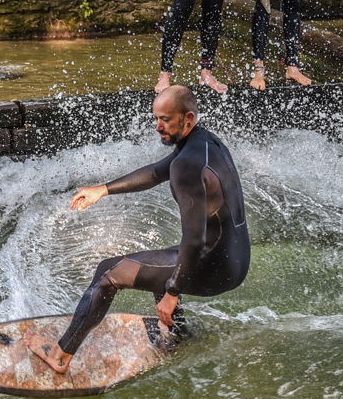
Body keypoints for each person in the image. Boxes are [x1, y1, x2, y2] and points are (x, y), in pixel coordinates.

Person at [25, 86, 250, 374]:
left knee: (108, 273)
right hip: (235, 259)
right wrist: (102, 190)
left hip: (215, 268)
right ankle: (177, 335)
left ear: (188, 118)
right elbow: (157, 171)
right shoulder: (204, 144)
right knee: (157, 262)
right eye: (156, 118)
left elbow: (193, 241)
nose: (158, 127)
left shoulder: (188, 167)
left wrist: (172, 293)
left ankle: (59, 356)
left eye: (166, 120)